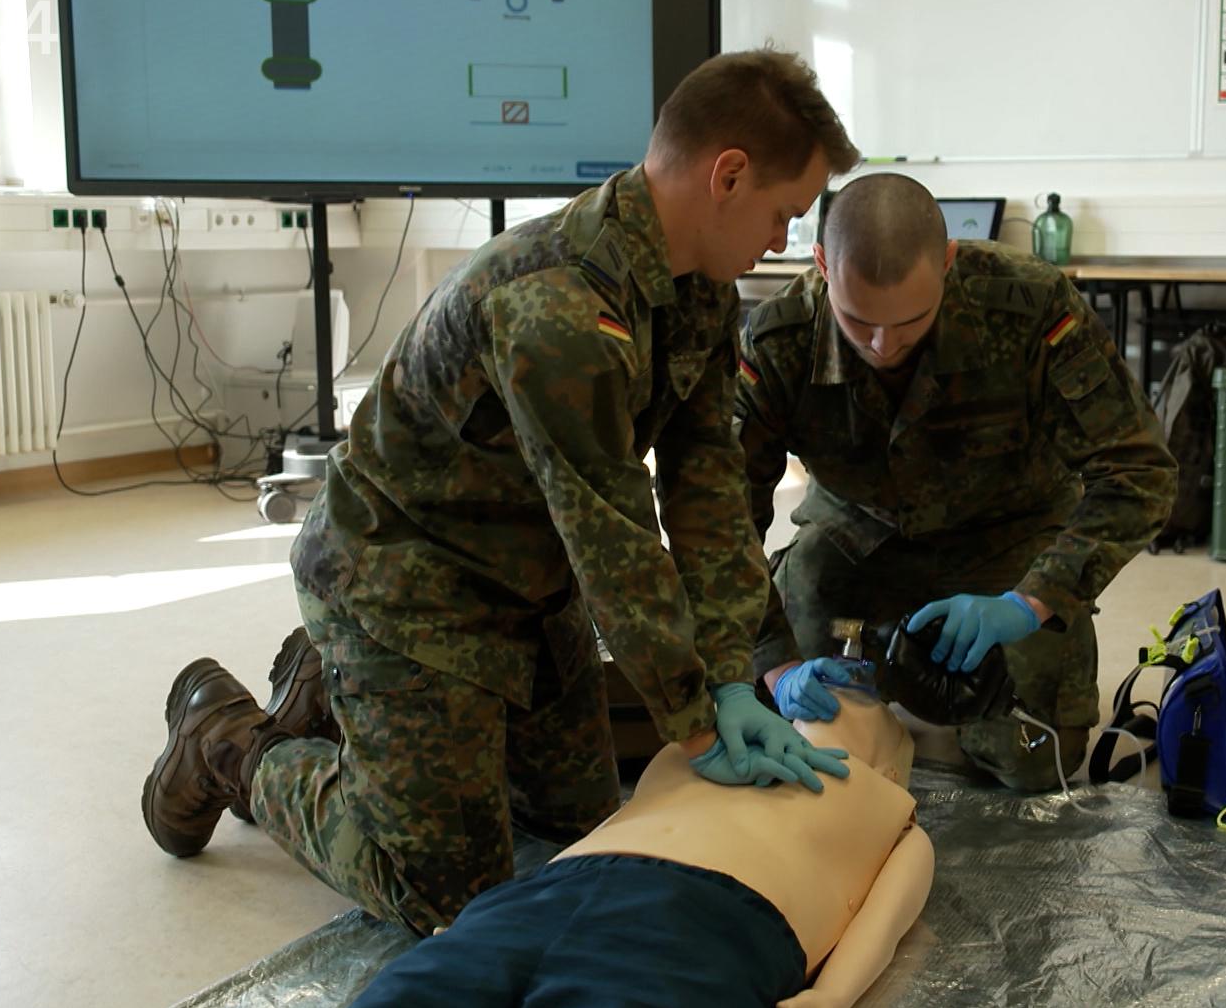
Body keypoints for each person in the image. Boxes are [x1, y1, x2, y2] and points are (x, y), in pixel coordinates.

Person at [140, 49, 863, 936]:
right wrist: (698, 721)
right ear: (730, 175)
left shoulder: (698, 291)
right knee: (446, 892)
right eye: (785, 213)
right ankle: (229, 741)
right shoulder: (558, 306)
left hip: (529, 583)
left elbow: (707, 486)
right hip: (403, 585)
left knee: (574, 836)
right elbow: (615, 537)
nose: (782, 241)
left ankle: (331, 690)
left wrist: (732, 673)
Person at [738, 173, 1176, 791]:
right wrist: (777, 666)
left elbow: (1140, 471)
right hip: (856, 537)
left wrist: (1033, 601)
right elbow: (722, 518)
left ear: (947, 262)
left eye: (910, 321)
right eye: (858, 322)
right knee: (784, 724)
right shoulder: (781, 338)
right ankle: (873, 676)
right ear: (822, 266)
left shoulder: (1030, 307)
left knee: (1034, 759)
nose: (884, 345)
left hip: (1008, 535)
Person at [350, 691, 931, 1008]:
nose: (824, 697)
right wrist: (481, 927)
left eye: (863, 701)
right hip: (546, 899)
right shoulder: (705, 750)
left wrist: (832, 996)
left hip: (701, 926)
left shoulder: (891, 813)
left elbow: (881, 924)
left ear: (891, 763)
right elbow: (619, 823)